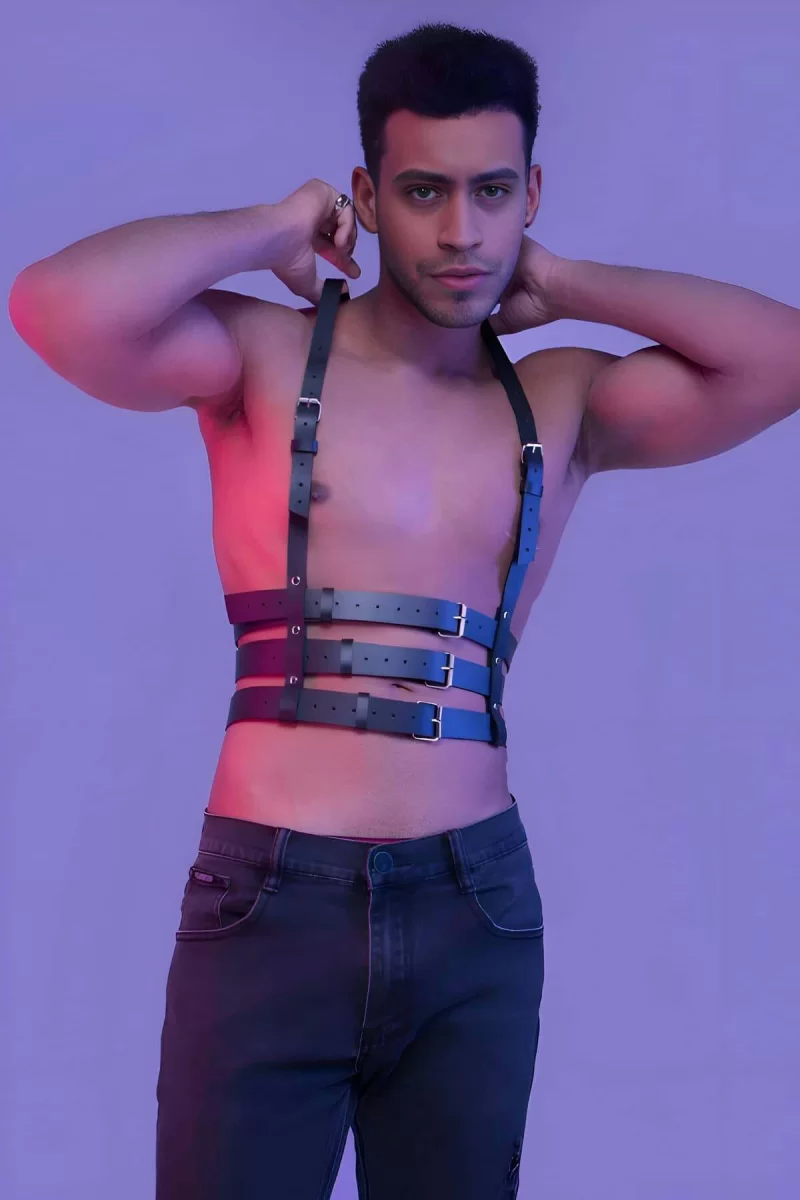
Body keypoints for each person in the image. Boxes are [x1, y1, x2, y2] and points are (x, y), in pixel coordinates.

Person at [10, 20, 800, 1200]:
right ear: (370, 197)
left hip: (473, 905)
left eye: (492, 192)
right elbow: (56, 304)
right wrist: (273, 224)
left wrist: (568, 282)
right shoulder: (263, 357)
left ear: (530, 194)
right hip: (270, 898)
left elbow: (779, 358)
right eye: (424, 192)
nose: (461, 232)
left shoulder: (562, 400)